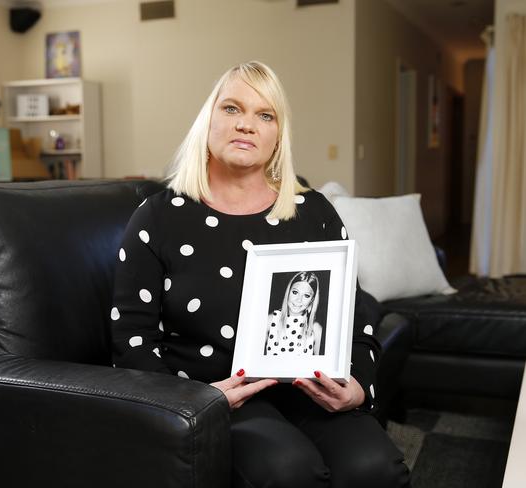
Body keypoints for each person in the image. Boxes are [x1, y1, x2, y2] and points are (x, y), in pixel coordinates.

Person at [111, 61, 410, 488]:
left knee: (375, 466)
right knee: (290, 469)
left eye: (264, 115)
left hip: (311, 391)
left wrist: (359, 388)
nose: (247, 125)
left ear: (277, 136)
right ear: (208, 121)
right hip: (213, 396)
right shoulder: (158, 217)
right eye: (232, 109)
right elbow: (132, 342)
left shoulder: (314, 213)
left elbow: (356, 321)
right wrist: (197, 402)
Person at [264, 271, 323, 356]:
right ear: (288, 292)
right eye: (295, 292)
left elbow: (320, 368)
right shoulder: (269, 321)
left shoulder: (316, 329)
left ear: (312, 300)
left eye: (306, 295)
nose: (298, 300)